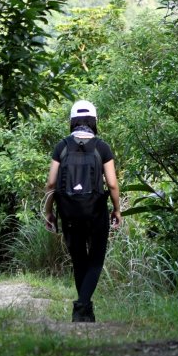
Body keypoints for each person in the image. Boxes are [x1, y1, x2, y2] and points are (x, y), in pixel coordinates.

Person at [43, 99, 122, 322]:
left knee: (79, 260)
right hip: (96, 212)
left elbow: (51, 184)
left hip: (68, 212)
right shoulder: (102, 147)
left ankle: (85, 312)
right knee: (95, 261)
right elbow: (113, 184)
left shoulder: (62, 146)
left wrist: (49, 212)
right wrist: (117, 210)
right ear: (94, 121)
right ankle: (82, 307)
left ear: (72, 121)